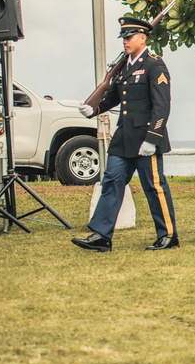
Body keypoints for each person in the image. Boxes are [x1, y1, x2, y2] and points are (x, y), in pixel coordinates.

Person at [72, 16, 177, 252]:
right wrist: (94, 108)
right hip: (124, 137)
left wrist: (153, 137)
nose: (125, 41)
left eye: (129, 37)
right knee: (111, 181)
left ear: (143, 37)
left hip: (145, 138)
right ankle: (101, 235)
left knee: (153, 186)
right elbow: (114, 97)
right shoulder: (126, 65)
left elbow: (162, 106)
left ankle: (168, 235)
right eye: (123, 38)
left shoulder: (154, 64)